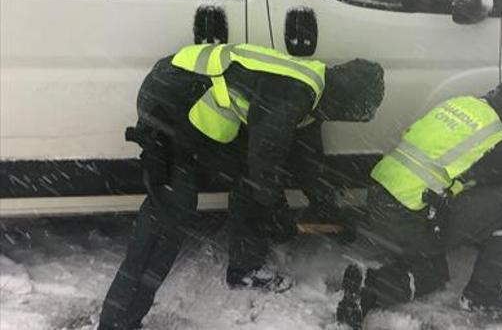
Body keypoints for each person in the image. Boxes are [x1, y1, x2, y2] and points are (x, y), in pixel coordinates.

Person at [98, 43, 384, 330]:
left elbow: (308, 163)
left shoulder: (313, 92)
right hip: (169, 99)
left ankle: (245, 268)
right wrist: (278, 216)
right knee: (171, 213)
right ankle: (117, 321)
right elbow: (265, 164)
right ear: (345, 102)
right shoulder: (293, 95)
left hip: (193, 104)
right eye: (351, 115)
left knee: (249, 180)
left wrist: (328, 209)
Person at [336, 75, 502, 330]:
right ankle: (484, 292)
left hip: (377, 197)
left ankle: (370, 281)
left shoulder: (461, 103)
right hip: (406, 216)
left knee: (431, 250)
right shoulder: (498, 137)